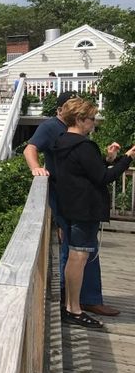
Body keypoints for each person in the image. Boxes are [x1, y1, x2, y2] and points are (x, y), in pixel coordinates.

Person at [24, 91, 118, 316]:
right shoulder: (50, 127)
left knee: (85, 249)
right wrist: (35, 168)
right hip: (66, 197)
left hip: (80, 198)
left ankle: (86, 299)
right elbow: (30, 148)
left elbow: (84, 164)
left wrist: (107, 159)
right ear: (61, 111)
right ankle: (72, 301)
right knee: (74, 248)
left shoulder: (76, 131)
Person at [53, 98, 135, 327]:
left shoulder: (62, 142)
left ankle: (70, 306)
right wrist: (127, 158)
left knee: (73, 257)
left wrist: (109, 159)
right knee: (79, 258)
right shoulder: (83, 145)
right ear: (79, 119)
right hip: (85, 210)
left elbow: (88, 168)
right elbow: (103, 177)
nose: (94, 123)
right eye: (91, 119)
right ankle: (75, 309)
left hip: (70, 207)